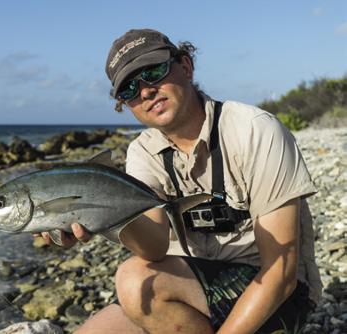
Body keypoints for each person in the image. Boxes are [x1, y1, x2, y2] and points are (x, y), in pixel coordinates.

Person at [40, 28, 322, 334]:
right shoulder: (143, 152)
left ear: (186, 66)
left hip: (277, 293)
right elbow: (153, 247)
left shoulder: (254, 131)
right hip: (193, 290)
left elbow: (280, 271)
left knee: (132, 280)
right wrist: (99, 216)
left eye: (154, 72)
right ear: (124, 105)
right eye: (129, 89)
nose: (145, 91)